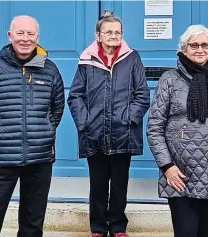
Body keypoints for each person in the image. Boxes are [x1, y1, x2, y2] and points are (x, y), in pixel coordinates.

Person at [147, 25, 208, 237]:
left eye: (205, 45)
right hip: (181, 175)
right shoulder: (170, 80)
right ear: (183, 49)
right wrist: (167, 167)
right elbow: (154, 128)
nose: (200, 49)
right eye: (194, 45)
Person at [0, 15, 65, 237]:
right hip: (1, 159)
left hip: (39, 159)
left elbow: (56, 110)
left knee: (32, 227)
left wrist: (44, 133)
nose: (25, 39)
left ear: (37, 37)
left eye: (30, 34)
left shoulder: (50, 70)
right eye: (20, 33)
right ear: (10, 36)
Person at [67, 10, 150, 237]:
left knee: (120, 184)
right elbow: (75, 96)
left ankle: (118, 226)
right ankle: (98, 227)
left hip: (124, 133)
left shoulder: (132, 58)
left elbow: (142, 95)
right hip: (94, 133)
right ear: (98, 35)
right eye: (109, 32)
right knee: (98, 185)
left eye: (118, 32)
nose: (114, 36)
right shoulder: (86, 61)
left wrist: (129, 119)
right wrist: (84, 123)